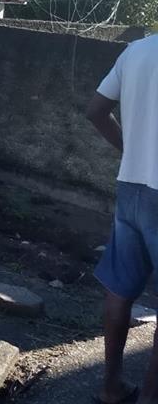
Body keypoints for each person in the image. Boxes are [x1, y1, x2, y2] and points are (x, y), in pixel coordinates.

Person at [88, 33, 158, 404]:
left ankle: (110, 388)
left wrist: (131, 150)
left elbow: (95, 111)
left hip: (131, 186)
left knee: (120, 289)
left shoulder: (136, 52)